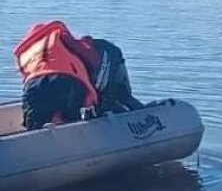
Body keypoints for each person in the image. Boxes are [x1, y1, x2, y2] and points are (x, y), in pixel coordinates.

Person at [14, 20, 143, 131]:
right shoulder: (68, 43)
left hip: (35, 86)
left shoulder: (28, 54)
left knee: (36, 125)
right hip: (65, 82)